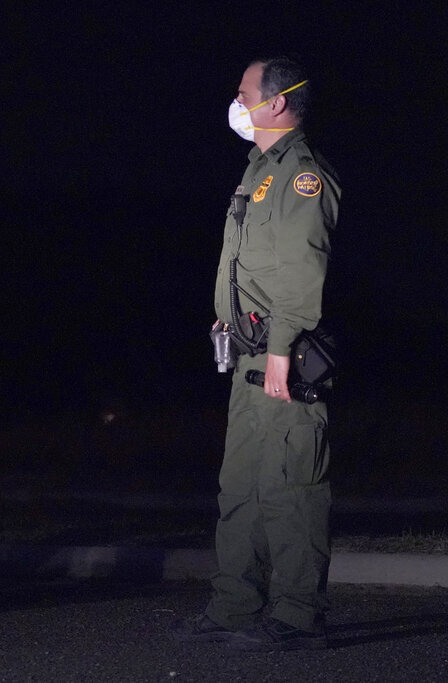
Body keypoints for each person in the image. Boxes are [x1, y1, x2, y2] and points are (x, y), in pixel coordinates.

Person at [171, 57, 341, 651]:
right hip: (247, 357)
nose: (236, 102)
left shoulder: (301, 176)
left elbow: (300, 273)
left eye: (243, 92)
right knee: (240, 489)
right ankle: (235, 606)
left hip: (284, 359)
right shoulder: (256, 171)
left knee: (290, 489)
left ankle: (297, 616)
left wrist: (278, 351)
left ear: (276, 103)